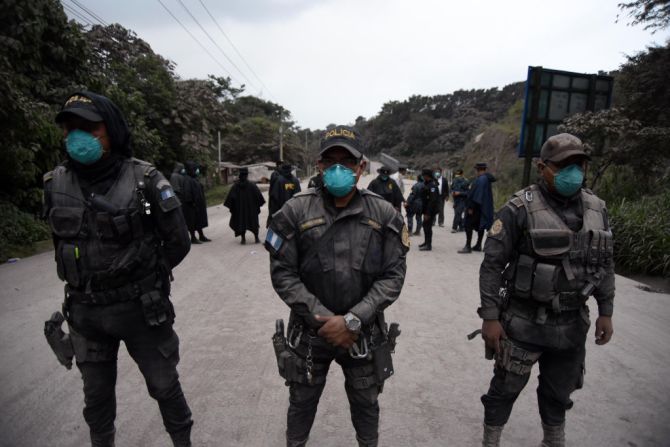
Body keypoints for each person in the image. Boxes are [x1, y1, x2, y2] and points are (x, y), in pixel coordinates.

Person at [42, 91, 193, 446]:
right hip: (86, 315)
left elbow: (179, 242)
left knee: (164, 387)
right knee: (96, 401)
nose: (77, 136)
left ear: (111, 129)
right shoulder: (55, 184)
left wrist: (145, 277)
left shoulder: (147, 180)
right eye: (70, 128)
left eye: (89, 127)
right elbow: (60, 245)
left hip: (141, 311)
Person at [265, 125, 409, 447]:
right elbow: (283, 273)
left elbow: (393, 276)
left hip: (363, 334)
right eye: (331, 161)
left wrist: (353, 319)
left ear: (361, 167)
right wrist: (322, 318)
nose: (339, 168)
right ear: (319, 165)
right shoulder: (294, 211)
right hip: (310, 333)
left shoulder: (384, 214)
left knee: (366, 405)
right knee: (301, 404)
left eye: (348, 161)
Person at [477, 133, 615, 447]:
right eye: (564, 165)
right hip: (523, 323)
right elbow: (492, 265)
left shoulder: (596, 208)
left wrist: (606, 310)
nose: (573, 171)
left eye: (578, 163)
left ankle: (553, 441)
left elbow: (604, 263)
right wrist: (490, 317)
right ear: (543, 167)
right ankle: (491, 441)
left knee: (558, 393)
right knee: (505, 389)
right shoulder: (518, 208)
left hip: (571, 326)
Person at [458, 162, 496, 253]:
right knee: (480, 226)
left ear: (478, 169)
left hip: (476, 207)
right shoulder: (485, 179)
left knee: (468, 225)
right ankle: (478, 245)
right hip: (482, 207)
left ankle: (468, 246)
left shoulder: (481, 180)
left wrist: (471, 207)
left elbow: (477, 195)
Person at [224, 167, 265, 244]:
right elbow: (259, 197)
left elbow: (230, 199)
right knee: (253, 223)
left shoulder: (235, 186)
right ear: (246, 175)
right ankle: (256, 238)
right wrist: (257, 206)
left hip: (240, 211)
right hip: (251, 210)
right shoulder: (252, 186)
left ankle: (243, 239)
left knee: (241, 223)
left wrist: (234, 208)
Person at [419, 168, 440, 251]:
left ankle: (428, 245)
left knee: (427, 226)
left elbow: (432, 200)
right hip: (427, 209)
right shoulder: (427, 183)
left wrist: (428, 213)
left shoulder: (432, 186)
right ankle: (426, 242)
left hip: (430, 210)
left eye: (424, 175)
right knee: (425, 226)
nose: (423, 177)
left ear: (427, 176)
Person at [190, 162, 211, 242]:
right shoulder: (189, 180)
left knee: (198, 220)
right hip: (193, 205)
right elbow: (189, 193)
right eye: (196, 169)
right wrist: (193, 202)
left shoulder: (195, 179)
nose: (198, 171)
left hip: (198, 204)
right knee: (193, 221)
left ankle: (201, 236)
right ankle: (193, 237)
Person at [450, 168, 469, 233]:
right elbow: (451, 188)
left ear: (462, 174)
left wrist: (460, 193)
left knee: (457, 213)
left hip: (462, 200)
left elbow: (468, 192)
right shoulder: (454, 181)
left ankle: (454, 228)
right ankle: (462, 227)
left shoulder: (466, 181)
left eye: (459, 175)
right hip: (455, 200)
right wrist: (452, 192)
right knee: (457, 214)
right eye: (456, 175)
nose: (457, 176)